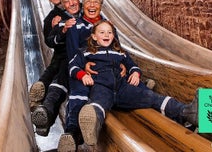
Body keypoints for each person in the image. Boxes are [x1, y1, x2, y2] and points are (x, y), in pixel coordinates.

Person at [69, 20, 198, 149]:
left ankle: (187, 112)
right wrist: (83, 75)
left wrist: (135, 73)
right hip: (101, 86)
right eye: (102, 32)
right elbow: (72, 66)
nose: (106, 35)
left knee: (152, 97)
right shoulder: (86, 52)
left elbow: (132, 66)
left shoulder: (120, 52)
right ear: (94, 36)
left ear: (114, 36)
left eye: (110, 32)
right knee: (97, 103)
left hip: (123, 88)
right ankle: (91, 128)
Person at [57, 0, 154, 152]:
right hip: (85, 68)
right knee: (79, 89)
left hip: (108, 72)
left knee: (125, 81)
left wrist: (123, 66)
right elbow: (73, 54)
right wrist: (83, 67)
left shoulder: (109, 26)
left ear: (101, 6)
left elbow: (118, 50)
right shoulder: (76, 26)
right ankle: (72, 133)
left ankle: (143, 89)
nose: (92, 5)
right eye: (88, 2)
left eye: (96, 2)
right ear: (83, 5)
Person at [31, 0, 82, 136]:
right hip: (64, 54)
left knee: (60, 76)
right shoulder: (53, 18)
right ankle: (44, 111)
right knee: (59, 72)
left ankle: (45, 106)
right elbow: (50, 40)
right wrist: (59, 29)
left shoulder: (85, 12)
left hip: (81, 57)